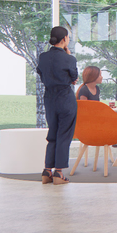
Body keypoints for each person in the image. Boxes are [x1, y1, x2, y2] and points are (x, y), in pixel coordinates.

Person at [36, 25, 79, 185]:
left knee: (52, 134)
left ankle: (47, 171)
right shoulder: (69, 58)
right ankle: (59, 172)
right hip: (65, 98)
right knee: (64, 135)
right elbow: (74, 77)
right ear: (64, 39)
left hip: (49, 98)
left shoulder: (42, 57)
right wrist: (68, 55)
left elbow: (41, 73)